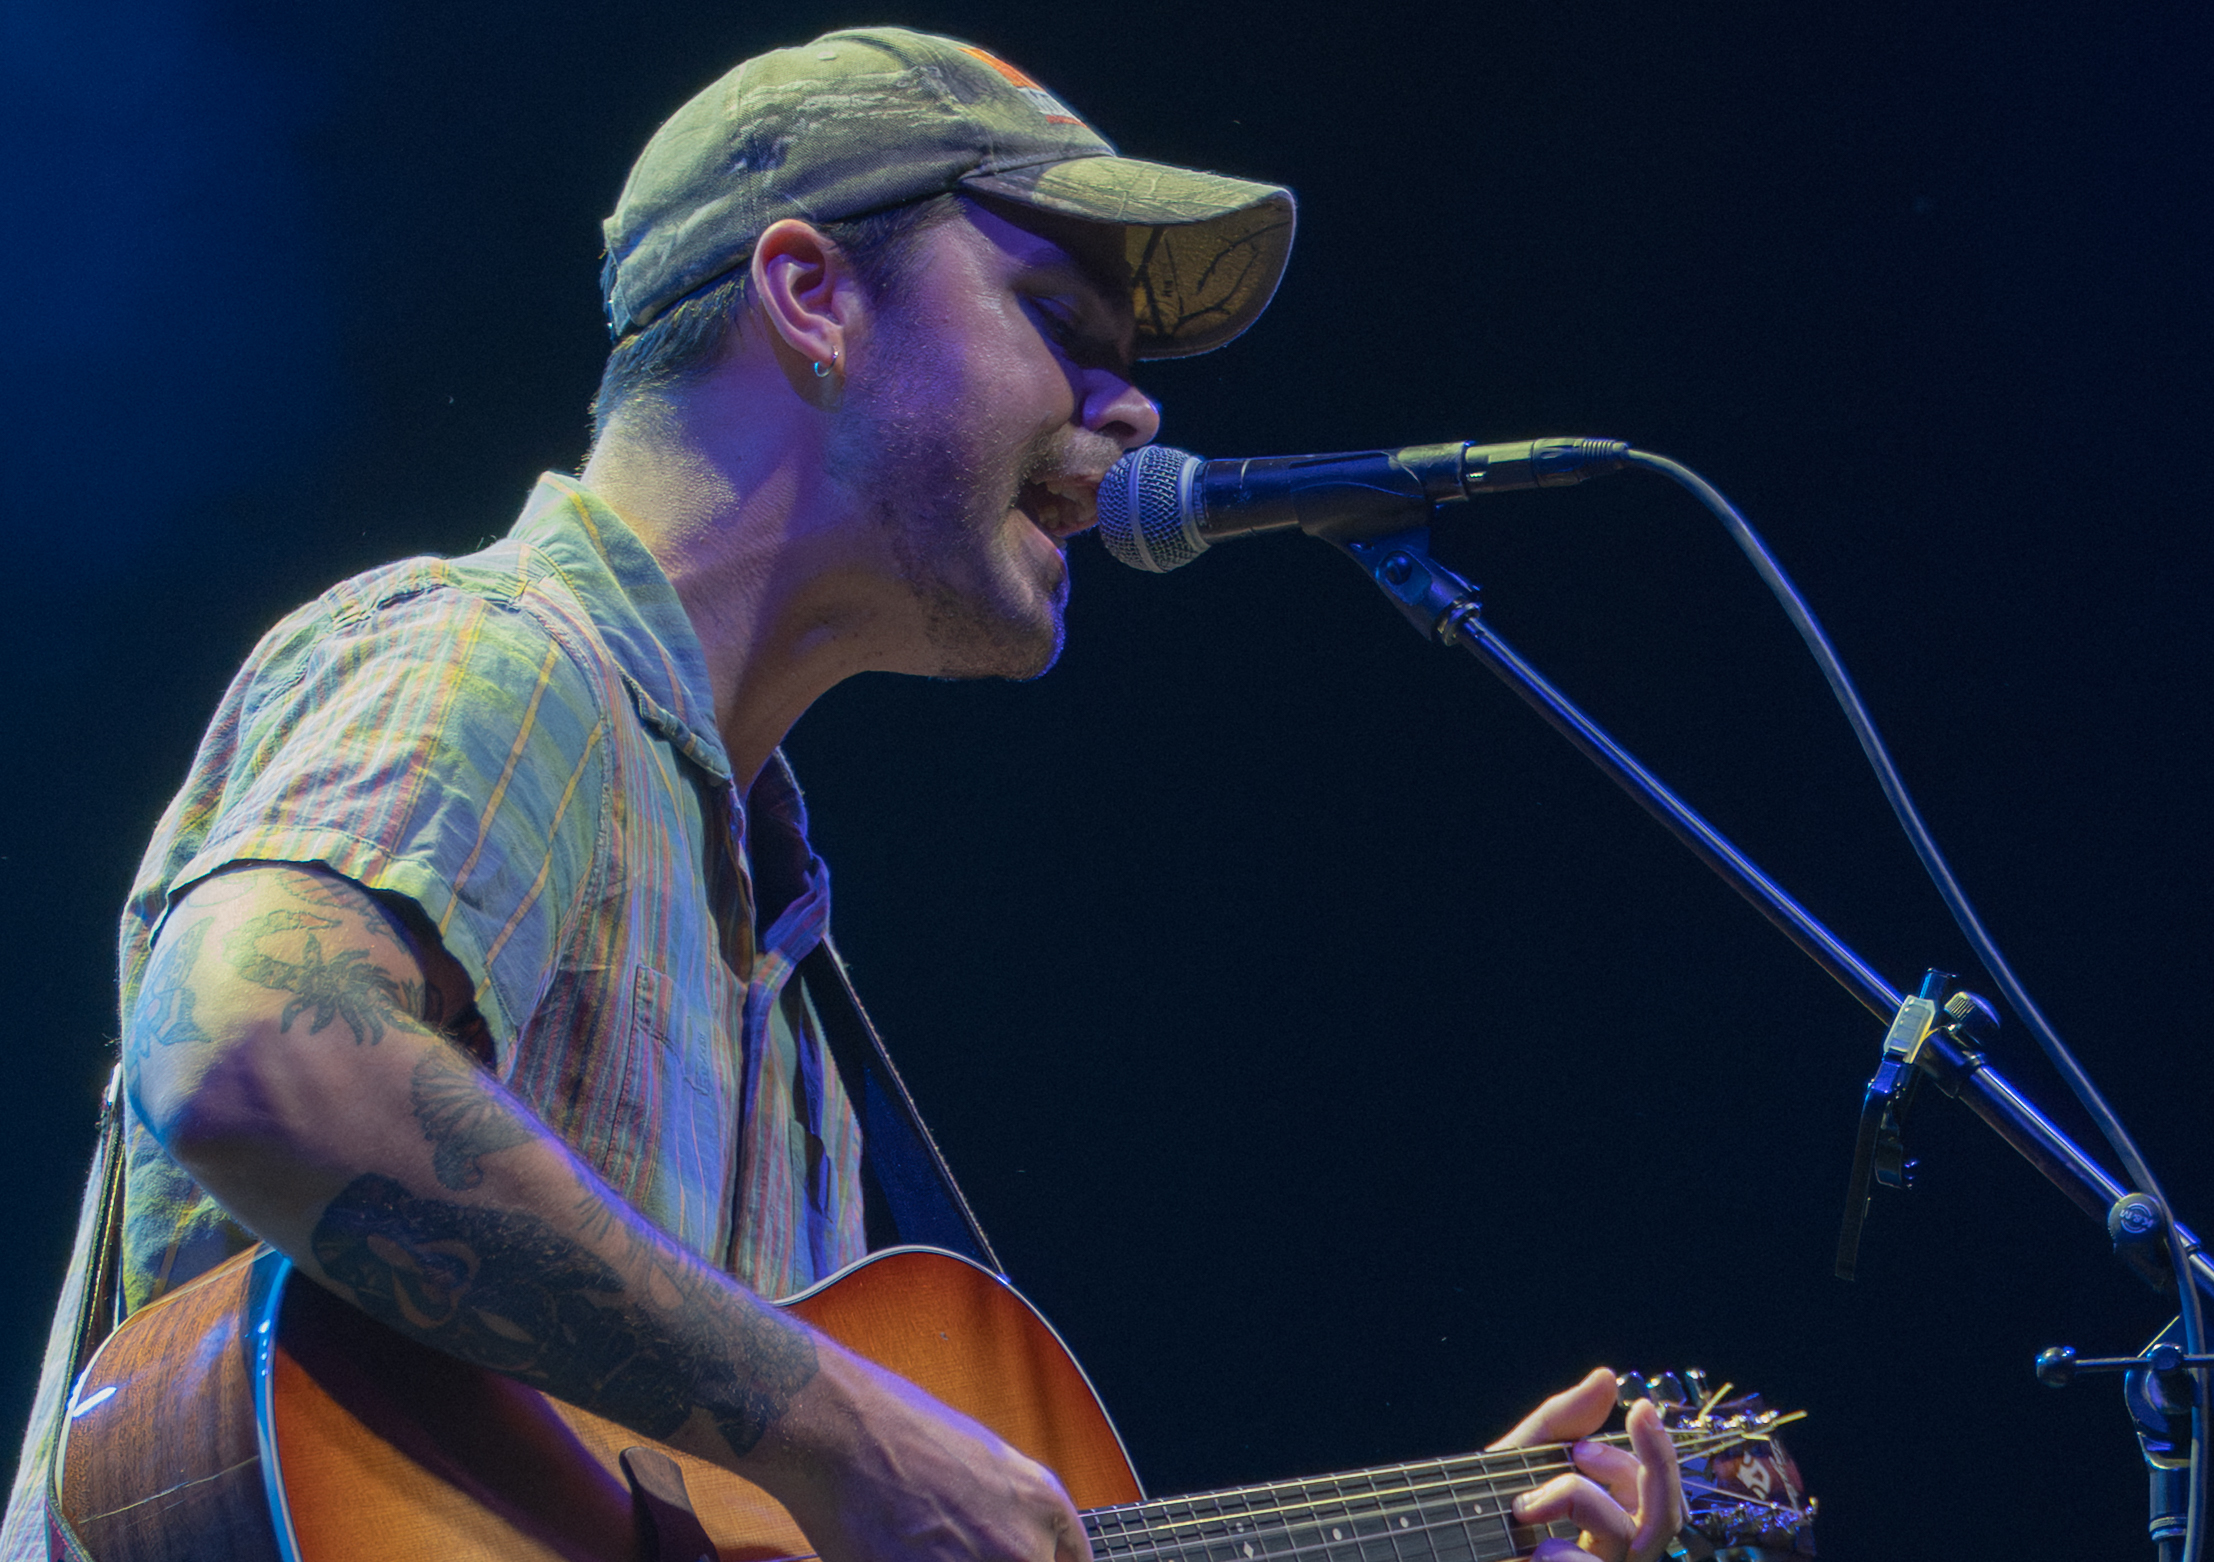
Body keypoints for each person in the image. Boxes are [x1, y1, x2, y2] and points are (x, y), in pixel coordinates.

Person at [5, 27, 1685, 1562]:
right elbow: (251, 1050)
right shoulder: (507, 661)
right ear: (811, 294)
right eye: (1058, 323)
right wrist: (843, 1427)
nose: (1136, 407)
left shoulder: (781, 977)